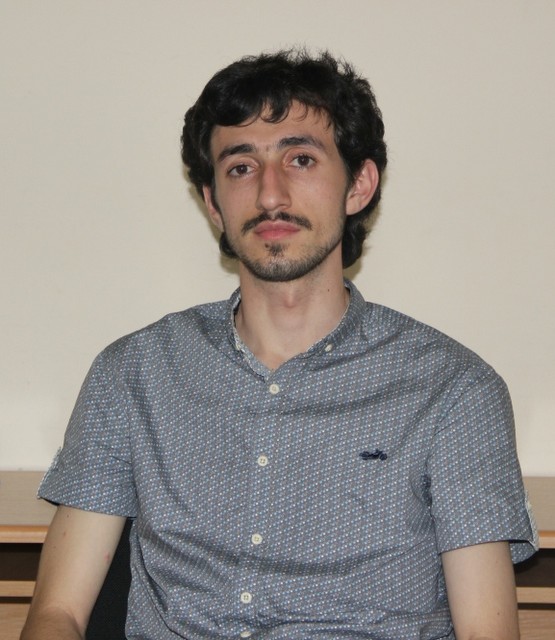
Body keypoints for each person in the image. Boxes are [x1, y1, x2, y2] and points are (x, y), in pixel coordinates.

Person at [22, 50, 537, 640]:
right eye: (241, 167)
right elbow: (58, 613)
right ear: (213, 203)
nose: (270, 194)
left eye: (301, 159)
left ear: (359, 185)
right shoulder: (133, 374)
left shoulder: (455, 393)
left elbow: (487, 631)